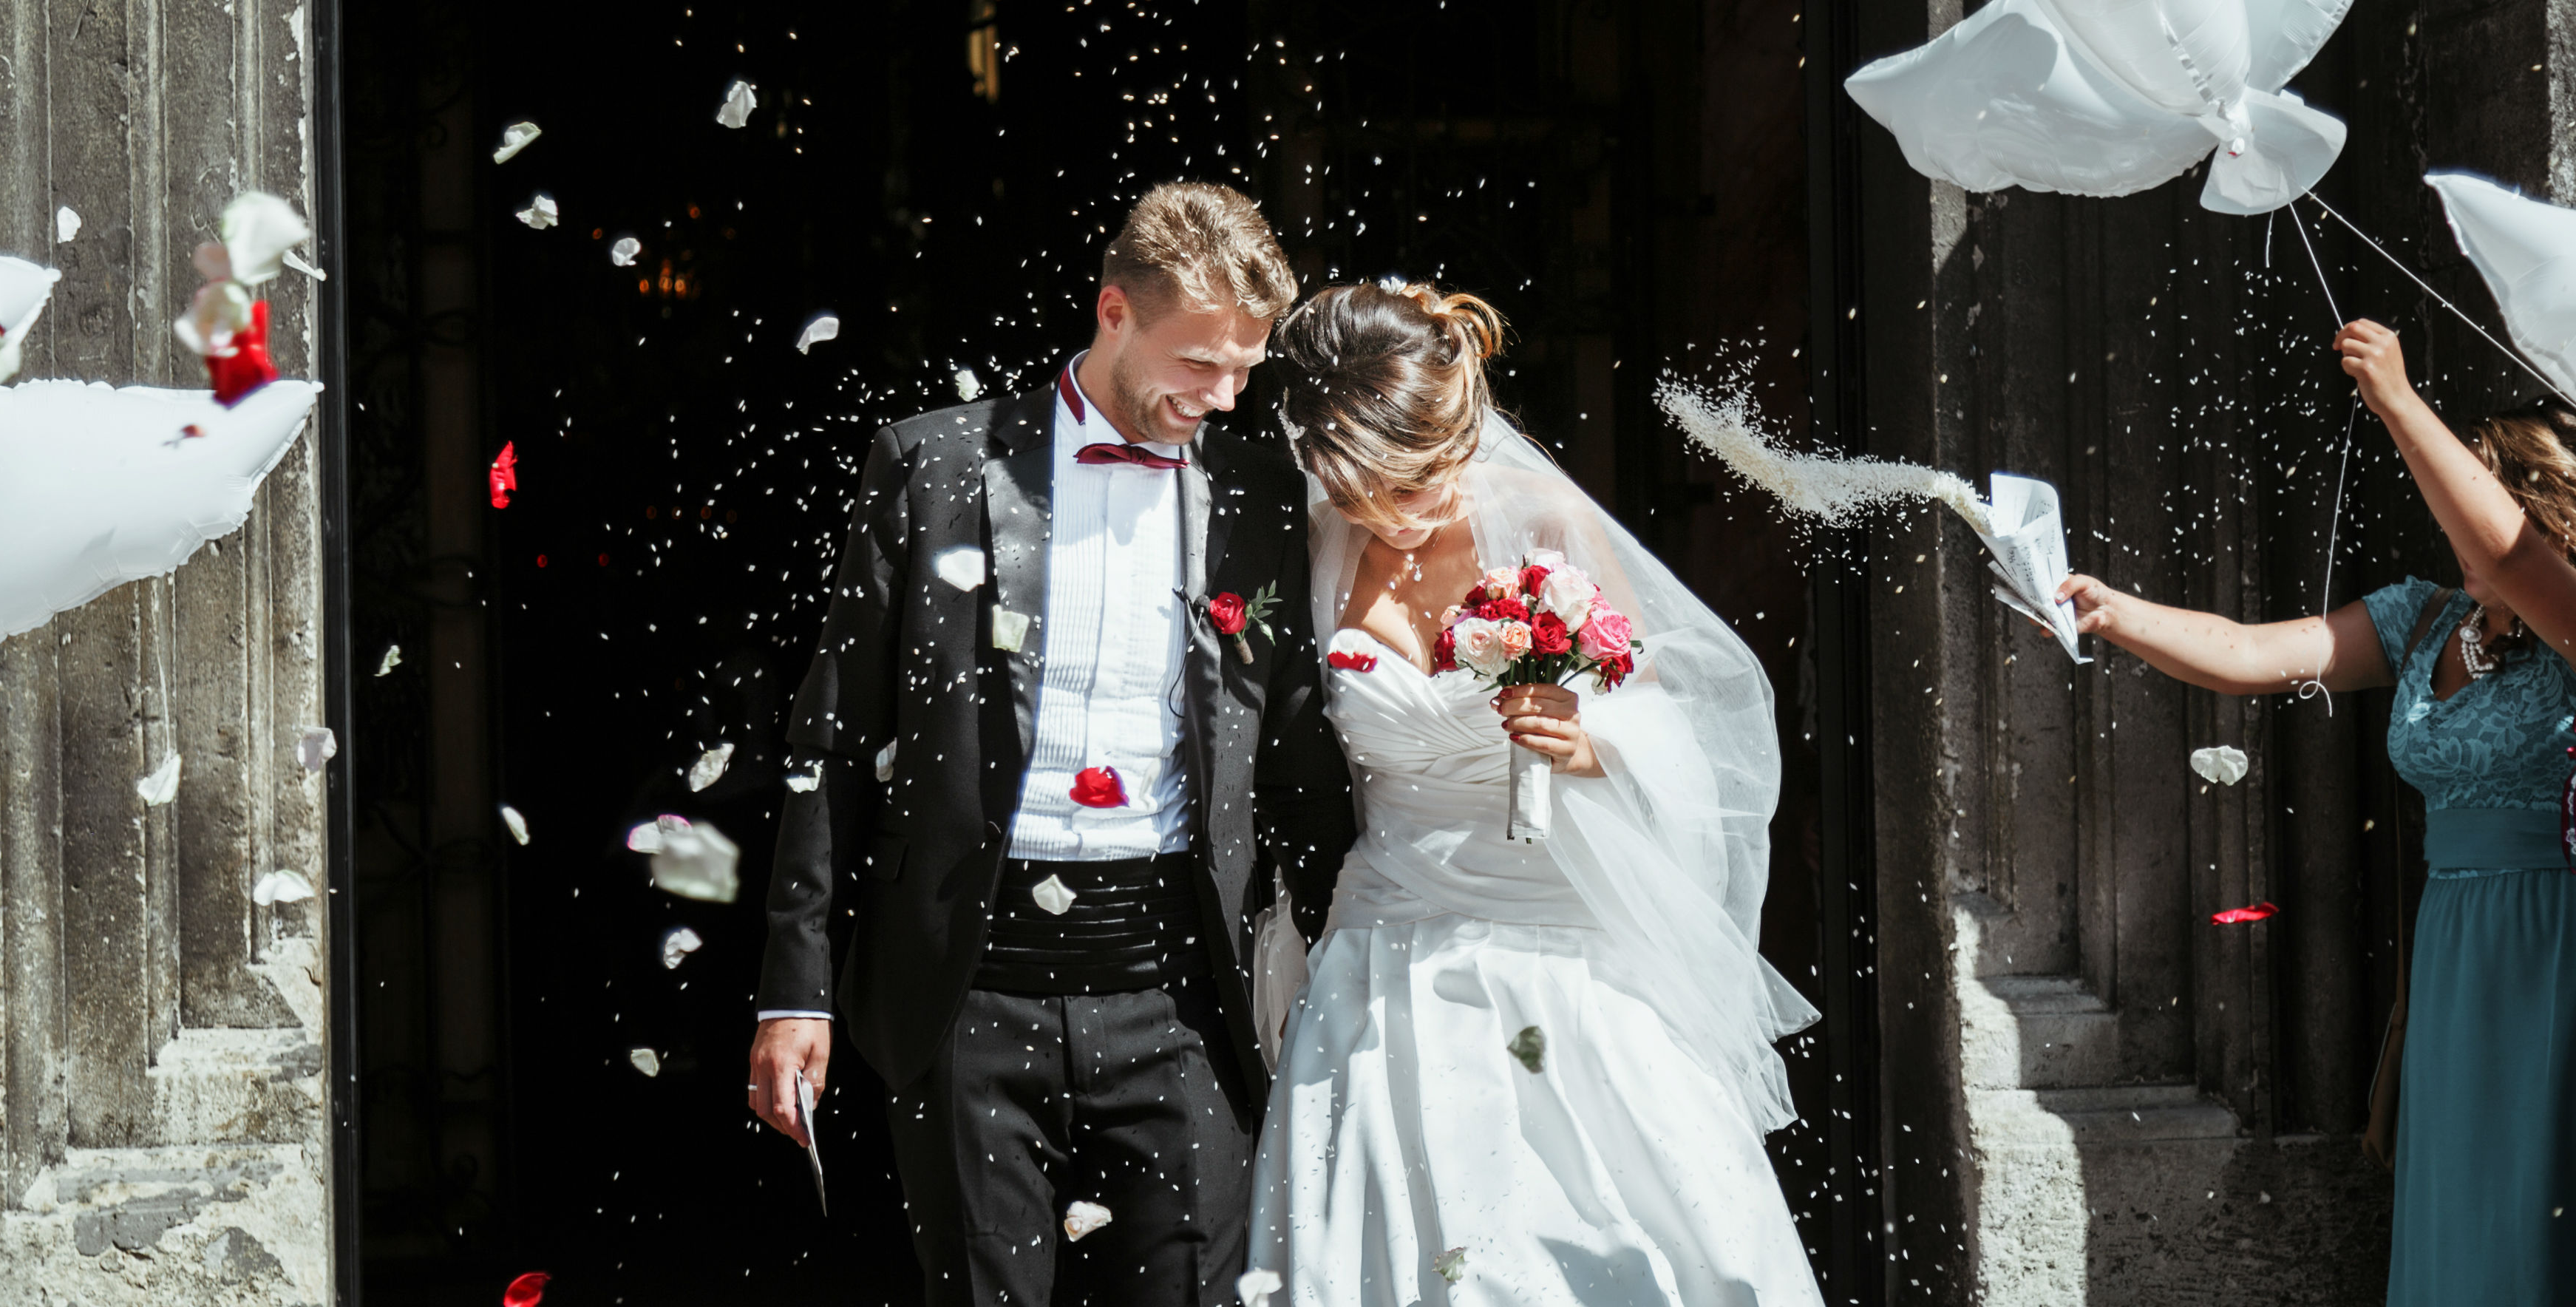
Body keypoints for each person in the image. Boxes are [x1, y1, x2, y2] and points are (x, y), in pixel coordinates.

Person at [744, 181, 1357, 1307]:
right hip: (970, 986)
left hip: (1180, 987)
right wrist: (798, 992)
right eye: (1196, 364)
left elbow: (1300, 767)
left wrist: (1362, 964)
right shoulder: (931, 469)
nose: (1221, 399)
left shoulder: (1263, 495)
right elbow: (829, 742)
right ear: (1113, 314)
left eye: (1244, 370)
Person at [2056, 321, 2576, 1306]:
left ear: (2539, 511)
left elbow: (2521, 559)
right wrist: (2113, 613)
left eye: (2474, 494)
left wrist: (2399, 402)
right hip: (2462, 953)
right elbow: (2242, 651)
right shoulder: (2425, 617)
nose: (2449, 517)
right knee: (2474, 1238)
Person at [1245, 280, 1823, 1306]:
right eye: (1378, 485)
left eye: (1428, 478)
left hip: (1560, 939)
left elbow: (1679, 728)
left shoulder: (1546, 523)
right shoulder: (1304, 541)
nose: (1407, 509)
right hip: (1387, 940)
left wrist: (1588, 744)